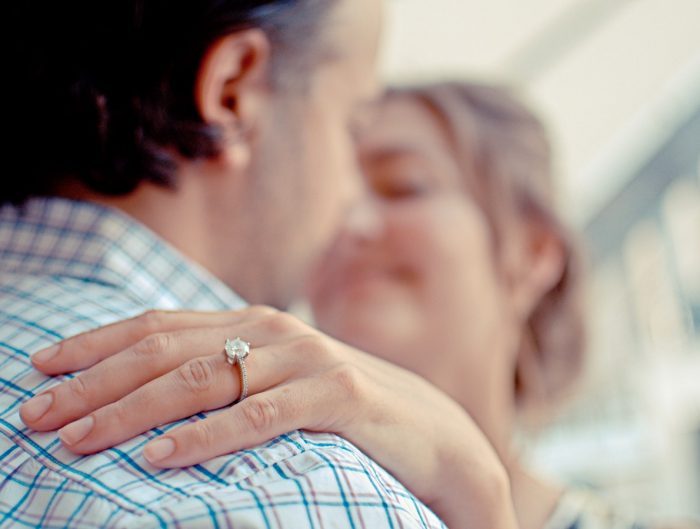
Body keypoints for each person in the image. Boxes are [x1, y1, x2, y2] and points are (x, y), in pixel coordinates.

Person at [21, 82, 667, 529]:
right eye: (343, 186)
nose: (350, 221)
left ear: (532, 251)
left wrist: (475, 490)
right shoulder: (248, 472)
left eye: (403, 185)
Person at [0, 2, 517, 527]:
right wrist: (480, 496)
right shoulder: (310, 491)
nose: (349, 205)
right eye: (350, 126)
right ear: (232, 93)